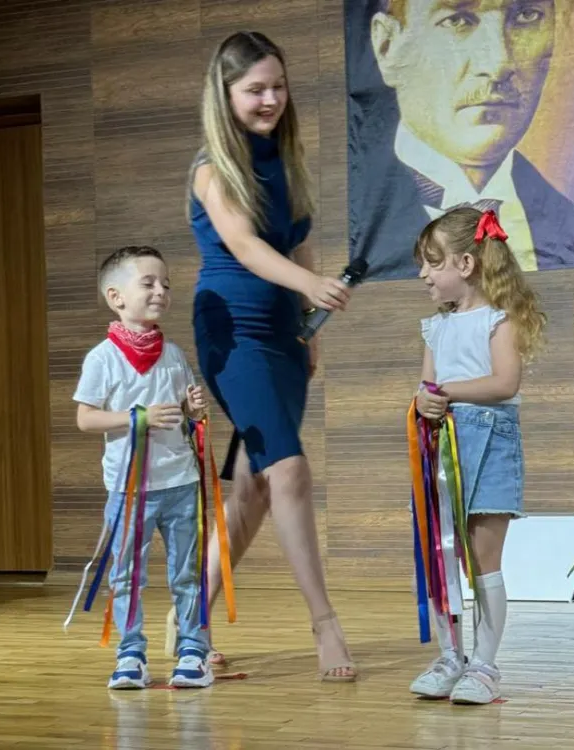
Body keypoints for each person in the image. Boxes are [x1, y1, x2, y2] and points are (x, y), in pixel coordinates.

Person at [169, 30, 357, 682]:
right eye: (254, 90)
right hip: (233, 334)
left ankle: (189, 622)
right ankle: (325, 625)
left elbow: (297, 245)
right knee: (291, 472)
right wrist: (309, 286)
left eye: (278, 86)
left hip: (281, 336)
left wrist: (309, 328)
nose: (270, 99)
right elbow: (247, 250)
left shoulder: (285, 160)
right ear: (224, 96)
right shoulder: (211, 169)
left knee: (249, 488)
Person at [409, 206, 546, 704]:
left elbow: (503, 382)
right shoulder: (435, 328)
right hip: (441, 447)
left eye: (432, 262)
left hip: (489, 442)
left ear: (464, 264)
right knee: (439, 556)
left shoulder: (499, 320)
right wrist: (425, 399)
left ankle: (484, 666)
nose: (423, 273)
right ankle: (451, 657)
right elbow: (426, 388)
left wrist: (445, 389)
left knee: (483, 560)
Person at [352, 0, 574, 279]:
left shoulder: (573, 225)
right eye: (458, 21)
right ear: (388, 46)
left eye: (526, 16)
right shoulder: (362, 230)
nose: (499, 63)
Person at [74, 245, 213, 690]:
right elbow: (86, 417)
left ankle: (194, 649)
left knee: (186, 571)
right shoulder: (102, 358)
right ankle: (130, 653)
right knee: (126, 574)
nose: (160, 291)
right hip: (128, 490)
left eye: (166, 284)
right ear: (116, 297)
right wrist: (140, 417)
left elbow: (188, 416)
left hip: (180, 482)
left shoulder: (173, 353)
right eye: (148, 283)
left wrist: (194, 410)